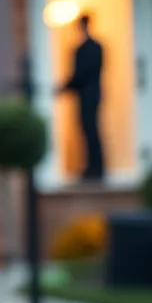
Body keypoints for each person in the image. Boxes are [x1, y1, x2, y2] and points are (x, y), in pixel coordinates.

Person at [57, 14, 106, 181]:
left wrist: (65, 87)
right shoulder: (93, 47)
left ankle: (96, 169)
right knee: (88, 131)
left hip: (89, 96)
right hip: (89, 95)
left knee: (91, 130)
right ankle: (93, 168)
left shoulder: (88, 49)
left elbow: (82, 74)